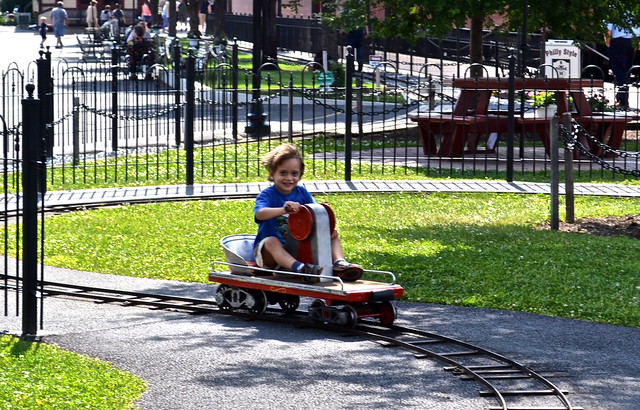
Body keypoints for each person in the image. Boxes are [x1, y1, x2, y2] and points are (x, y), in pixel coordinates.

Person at [253, 144, 363, 278]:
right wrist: (284, 209)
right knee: (271, 241)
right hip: (270, 257)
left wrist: (327, 224)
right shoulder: (267, 195)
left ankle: (340, 263)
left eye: (294, 173)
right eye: (283, 173)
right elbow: (260, 214)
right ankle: (300, 269)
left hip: (296, 251)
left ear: (300, 175)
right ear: (272, 173)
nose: (289, 178)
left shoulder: (302, 193)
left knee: (332, 233)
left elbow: (316, 212)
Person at [605, 22, 640, 109]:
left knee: (619, 69)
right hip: (633, 39)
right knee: (627, 70)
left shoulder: (613, 8)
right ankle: (623, 98)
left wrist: (607, 42)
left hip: (619, 40)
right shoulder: (634, 8)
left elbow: (608, 28)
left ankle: (622, 100)